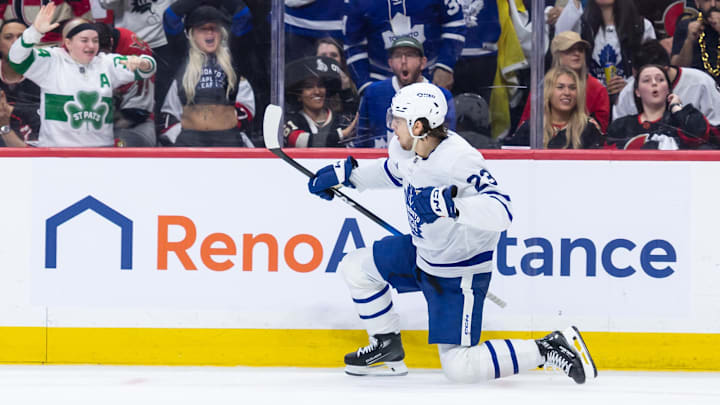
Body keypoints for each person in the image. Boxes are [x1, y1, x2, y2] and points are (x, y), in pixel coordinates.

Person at [306, 81, 597, 383]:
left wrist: (449, 206)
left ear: (419, 125)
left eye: (399, 120)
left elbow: (502, 210)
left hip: (459, 273)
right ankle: (386, 347)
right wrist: (347, 177)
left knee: (460, 367)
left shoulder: (459, 159)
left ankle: (548, 347)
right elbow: (395, 171)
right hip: (423, 253)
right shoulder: (410, 147)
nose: (393, 127)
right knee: (356, 267)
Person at [8, 4, 156, 147]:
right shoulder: (51, 61)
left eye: (95, 41)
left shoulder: (106, 63)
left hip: (102, 151)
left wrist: (143, 63)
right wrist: (34, 32)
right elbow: (16, 58)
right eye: (84, 40)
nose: (91, 46)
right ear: (68, 42)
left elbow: (148, 68)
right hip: (55, 152)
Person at [160, 0, 255, 146]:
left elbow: (243, 16)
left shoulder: (233, 54)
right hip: (189, 139)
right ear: (191, 34)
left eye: (214, 28)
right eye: (202, 29)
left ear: (221, 32)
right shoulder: (183, 55)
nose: (209, 33)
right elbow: (170, 17)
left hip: (227, 138)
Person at [343, 0, 466, 94]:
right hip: (380, 82)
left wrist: (445, 66)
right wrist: (365, 85)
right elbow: (353, 43)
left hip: (430, 77)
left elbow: (455, 24)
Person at [355, 36, 455, 148]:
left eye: (410, 55)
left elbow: (448, 142)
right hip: (381, 162)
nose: (403, 61)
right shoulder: (373, 93)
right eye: (398, 56)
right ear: (390, 63)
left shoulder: (441, 96)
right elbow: (361, 140)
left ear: (423, 62)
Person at [97, 0, 179, 126]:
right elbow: (106, 3)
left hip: (163, 40)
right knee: (120, 94)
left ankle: (159, 135)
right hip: (126, 40)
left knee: (160, 102)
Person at [555, 0, 656, 102]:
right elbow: (559, 39)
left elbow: (652, 68)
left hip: (629, 103)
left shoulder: (641, 26)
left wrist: (630, 86)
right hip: (589, 101)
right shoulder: (583, 25)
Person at [614, 40, 720, 128]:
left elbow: (716, 126)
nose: (653, 83)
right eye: (645, 79)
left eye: (657, 78)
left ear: (665, 69)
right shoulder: (629, 91)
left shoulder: (701, 82)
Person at [519, 30, 610, 133]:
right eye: (570, 50)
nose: (576, 54)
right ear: (556, 55)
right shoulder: (542, 87)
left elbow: (600, 135)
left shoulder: (598, 89)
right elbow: (525, 127)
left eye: (580, 50)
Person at [606, 64, 711, 149]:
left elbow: (699, 134)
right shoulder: (620, 126)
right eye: (646, 80)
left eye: (660, 80)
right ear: (637, 92)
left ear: (669, 89)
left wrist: (676, 107)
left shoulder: (680, 120)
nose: (654, 83)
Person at [505, 66, 603, 149]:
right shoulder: (531, 128)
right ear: (549, 92)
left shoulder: (588, 128)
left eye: (572, 88)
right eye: (560, 87)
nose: (567, 93)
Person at [95, 23, 157, 147]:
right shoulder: (79, 45)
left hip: (131, 117)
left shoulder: (134, 49)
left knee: (123, 144)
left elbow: (140, 107)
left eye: (103, 54)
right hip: (93, 116)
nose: (99, 59)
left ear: (111, 43)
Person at [283, 56, 353, 148]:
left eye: (320, 85)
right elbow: (300, 141)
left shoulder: (342, 120)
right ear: (299, 95)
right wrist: (342, 134)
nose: (317, 91)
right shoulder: (290, 121)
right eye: (309, 87)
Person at [671, 0, 720, 85]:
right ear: (697, 3)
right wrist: (689, 40)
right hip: (696, 89)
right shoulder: (686, 26)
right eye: (707, 0)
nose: (713, 5)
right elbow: (677, 71)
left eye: (718, 0)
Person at [315, 37, 359, 118]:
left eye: (334, 55)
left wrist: (346, 90)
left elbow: (353, 118)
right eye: (323, 55)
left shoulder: (353, 85)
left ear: (341, 61)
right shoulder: (306, 86)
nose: (328, 59)